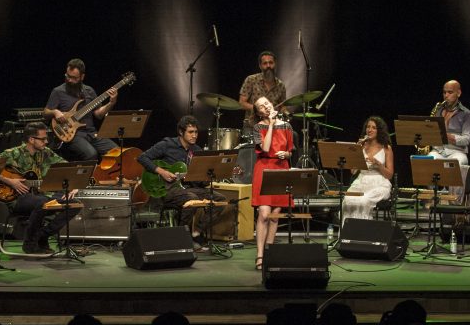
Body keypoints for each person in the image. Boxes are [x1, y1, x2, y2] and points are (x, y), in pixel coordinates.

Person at [137, 116, 226, 247]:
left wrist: (208, 177)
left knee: (220, 199)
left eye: (196, 132)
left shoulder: (197, 151)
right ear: (181, 132)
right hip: (167, 189)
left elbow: (199, 182)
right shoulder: (167, 144)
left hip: (188, 189)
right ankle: (181, 236)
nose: (194, 135)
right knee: (191, 198)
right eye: (191, 132)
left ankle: (196, 232)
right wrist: (162, 172)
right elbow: (142, 158)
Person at [0, 121, 80, 254]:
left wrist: (74, 185)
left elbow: (68, 168)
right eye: (43, 139)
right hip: (17, 198)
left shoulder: (46, 153)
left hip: (41, 195)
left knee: (76, 204)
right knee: (42, 202)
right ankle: (29, 243)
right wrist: (11, 181)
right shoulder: (13, 153)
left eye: (47, 138)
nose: (46, 141)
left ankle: (42, 235)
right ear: (31, 139)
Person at [43, 58, 119, 162]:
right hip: (73, 135)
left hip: (92, 133)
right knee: (91, 154)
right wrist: (55, 112)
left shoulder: (89, 91)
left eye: (74, 78)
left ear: (82, 77)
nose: (69, 80)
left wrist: (111, 103)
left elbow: (98, 114)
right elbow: (45, 113)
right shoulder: (58, 91)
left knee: (117, 152)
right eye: (68, 76)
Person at [251, 97, 294, 269]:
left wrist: (286, 154)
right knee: (263, 213)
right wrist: (270, 124)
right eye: (261, 106)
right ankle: (260, 255)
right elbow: (266, 148)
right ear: (258, 112)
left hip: (281, 168)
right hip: (264, 169)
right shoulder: (257, 127)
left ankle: (269, 252)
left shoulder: (287, 126)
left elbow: (291, 151)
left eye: (267, 103)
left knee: (275, 216)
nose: (266, 107)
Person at [428, 79, 470, 202]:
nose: (446, 95)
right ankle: (435, 199)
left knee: (457, 163)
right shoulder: (438, 110)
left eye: (450, 92)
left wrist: (447, 135)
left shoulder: (467, 114)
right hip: (439, 150)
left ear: (458, 93)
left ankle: (455, 202)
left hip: (457, 152)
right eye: (444, 92)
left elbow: (466, 139)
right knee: (427, 161)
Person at [342, 116, 394, 221]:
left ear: (379, 130)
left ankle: (363, 234)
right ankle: (348, 235)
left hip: (379, 183)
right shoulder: (362, 146)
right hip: (361, 181)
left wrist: (378, 164)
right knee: (347, 200)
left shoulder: (386, 148)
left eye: (373, 127)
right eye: (368, 127)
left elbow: (389, 175)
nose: (369, 130)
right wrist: (356, 151)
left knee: (364, 201)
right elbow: (353, 171)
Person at [238, 50, 291, 130]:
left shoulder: (281, 85)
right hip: (252, 125)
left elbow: (282, 106)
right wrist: (258, 109)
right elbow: (241, 103)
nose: (268, 66)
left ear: (275, 64)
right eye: (265, 63)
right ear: (260, 66)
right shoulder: (251, 80)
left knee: (292, 134)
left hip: (272, 125)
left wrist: (286, 112)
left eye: (271, 62)